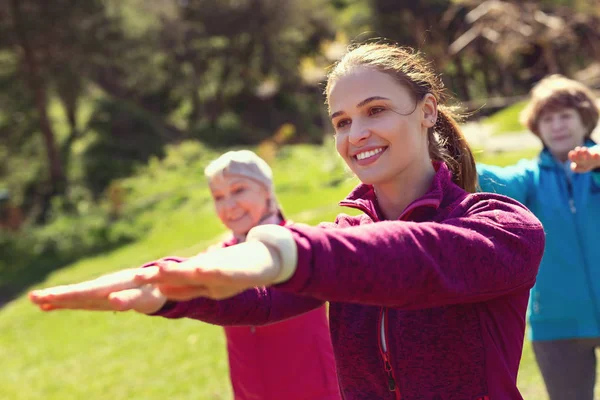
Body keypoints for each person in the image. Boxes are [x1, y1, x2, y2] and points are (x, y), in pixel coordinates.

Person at [30, 42, 545, 400]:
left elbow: (414, 261)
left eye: (376, 110)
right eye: (342, 122)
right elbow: (267, 295)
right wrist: (168, 288)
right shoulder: (345, 243)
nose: (356, 133)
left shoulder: (501, 227)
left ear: (428, 110)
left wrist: (286, 250)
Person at [477, 74, 600, 400]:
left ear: (585, 119)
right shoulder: (528, 179)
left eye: (565, 116)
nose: (557, 125)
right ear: (537, 127)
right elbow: (484, 177)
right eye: (547, 118)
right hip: (556, 324)